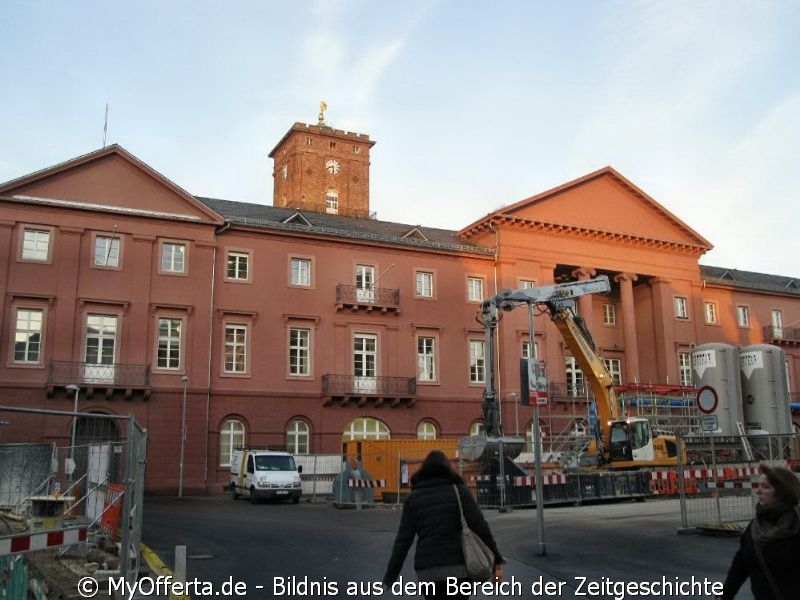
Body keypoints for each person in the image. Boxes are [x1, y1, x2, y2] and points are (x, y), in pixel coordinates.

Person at [382, 450, 504, 599]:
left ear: (424, 471)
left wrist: (391, 575)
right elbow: (480, 527)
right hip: (458, 570)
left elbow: (403, 540)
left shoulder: (413, 499)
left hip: (428, 572)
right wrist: (496, 558)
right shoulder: (460, 492)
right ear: (447, 469)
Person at [717, 463, 800, 600]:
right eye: (758, 485)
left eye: (765, 487)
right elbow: (740, 565)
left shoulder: (796, 525)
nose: (758, 491)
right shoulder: (755, 527)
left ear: (782, 492)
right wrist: (724, 595)